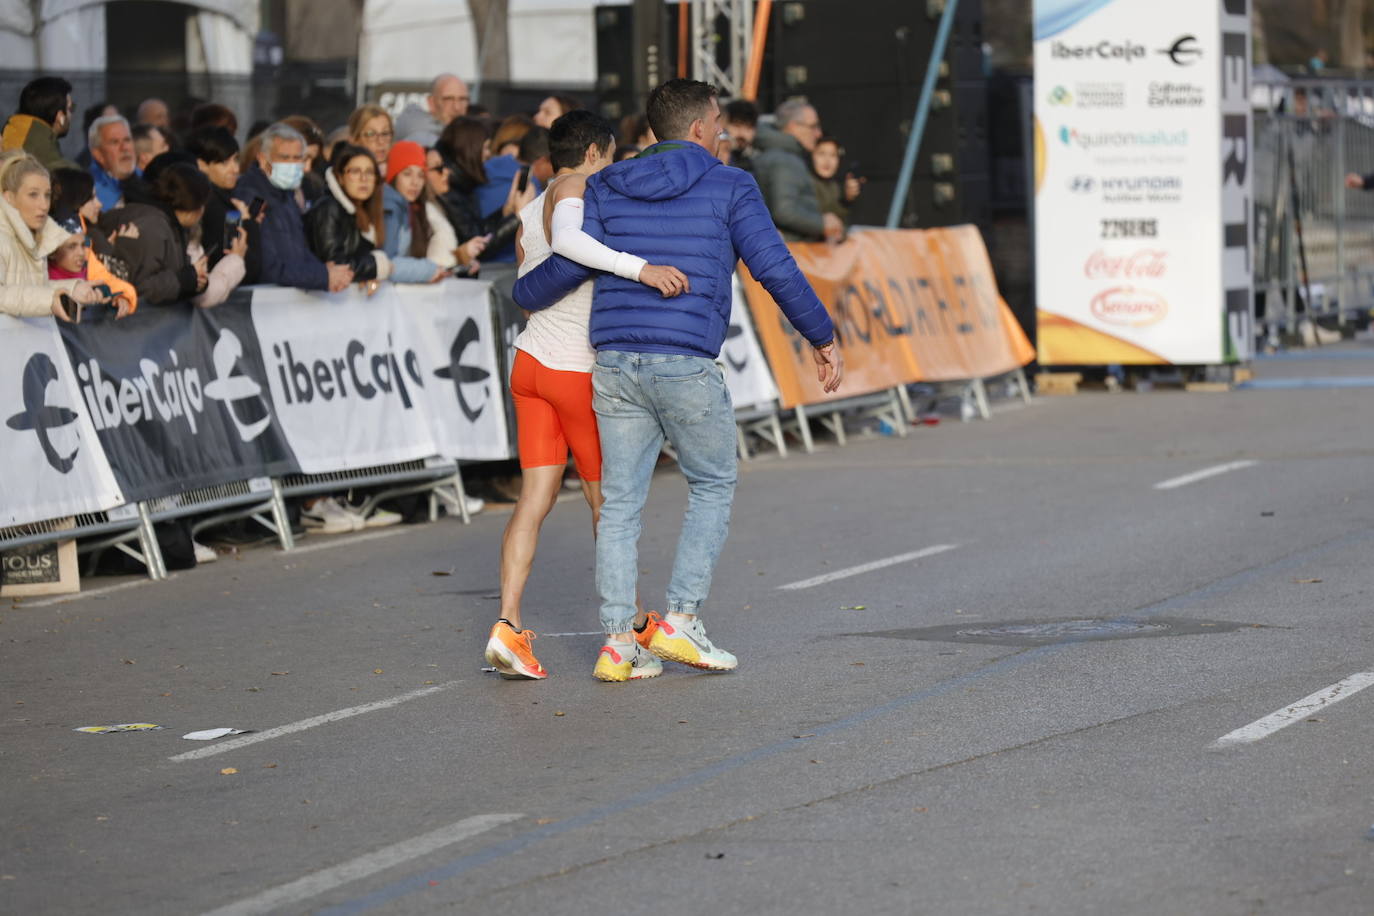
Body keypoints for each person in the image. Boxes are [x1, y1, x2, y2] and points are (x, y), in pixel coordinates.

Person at [513, 79, 842, 681]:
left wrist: (525, 293)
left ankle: (618, 644)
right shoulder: (731, 184)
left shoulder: (608, 183)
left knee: (619, 505)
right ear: (697, 129)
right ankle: (682, 621)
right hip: (686, 361)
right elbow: (774, 268)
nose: (723, 130)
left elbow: (566, 264)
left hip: (614, 362)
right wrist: (820, 336)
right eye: (717, 120)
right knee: (713, 483)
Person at [484, 109, 688, 681]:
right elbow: (574, 248)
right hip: (577, 373)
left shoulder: (529, 210)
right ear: (597, 151)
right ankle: (623, 636)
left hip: (530, 364)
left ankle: (507, 626)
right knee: (609, 508)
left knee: (533, 501)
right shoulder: (582, 195)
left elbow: (529, 295)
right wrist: (641, 269)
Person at [235, 121, 353, 292]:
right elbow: (266, 267)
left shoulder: (287, 194)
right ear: (262, 159)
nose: (291, 164)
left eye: (297, 158)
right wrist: (322, 275)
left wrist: (325, 270)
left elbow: (300, 251)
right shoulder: (253, 198)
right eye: (284, 158)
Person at [0, 152, 105, 320]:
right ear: (9, 197)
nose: (43, 205)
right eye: (33, 194)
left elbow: (32, 289)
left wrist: (73, 289)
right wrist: (50, 300)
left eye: (47, 195)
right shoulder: (3, 239)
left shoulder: (38, 237)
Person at [99, 161, 215, 306]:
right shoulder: (153, 226)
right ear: (196, 206)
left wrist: (195, 282)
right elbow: (141, 289)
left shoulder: (173, 225)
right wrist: (185, 280)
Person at [49, 167, 138, 316]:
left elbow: (103, 277)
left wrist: (121, 294)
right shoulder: (44, 244)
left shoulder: (84, 236)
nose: (100, 204)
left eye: (83, 245)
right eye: (91, 198)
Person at [435, 116, 530, 253]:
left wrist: (505, 212)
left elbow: (477, 230)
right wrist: (517, 217)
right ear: (471, 150)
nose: (488, 154)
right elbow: (474, 244)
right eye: (485, 148)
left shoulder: (463, 184)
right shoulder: (448, 189)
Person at [752, 98, 842, 242]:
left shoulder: (784, 155)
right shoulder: (783, 160)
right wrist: (822, 223)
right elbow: (784, 211)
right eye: (813, 126)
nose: (818, 133)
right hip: (791, 250)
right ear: (793, 127)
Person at [304, 143, 392, 285]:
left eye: (369, 172)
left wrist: (371, 277)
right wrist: (377, 266)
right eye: (355, 171)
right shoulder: (328, 208)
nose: (363, 178)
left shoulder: (366, 212)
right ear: (340, 178)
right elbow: (335, 265)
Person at [477, 127, 551, 263]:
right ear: (542, 161)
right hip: (504, 267)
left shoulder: (486, 168)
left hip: (474, 259)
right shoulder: (533, 193)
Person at [380, 141, 445, 283]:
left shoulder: (411, 208)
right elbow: (386, 264)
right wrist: (430, 270)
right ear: (394, 176)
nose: (415, 182)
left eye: (421, 175)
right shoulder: (389, 207)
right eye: (407, 174)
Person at [423, 146, 488, 270]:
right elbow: (429, 261)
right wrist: (462, 255)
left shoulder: (438, 204)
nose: (447, 172)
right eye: (439, 168)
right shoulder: (422, 211)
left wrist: (464, 261)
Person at [1, 76, 77, 172]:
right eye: (71, 108)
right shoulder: (56, 165)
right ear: (60, 117)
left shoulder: (8, 134)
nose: (71, 116)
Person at [394, 73, 470, 144]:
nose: (457, 107)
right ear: (431, 103)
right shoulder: (419, 138)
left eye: (462, 99)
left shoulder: (471, 132)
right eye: (448, 99)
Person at [810, 135, 862, 230]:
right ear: (812, 155)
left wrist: (847, 199)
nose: (827, 161)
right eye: (821, 154)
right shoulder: (806, 182)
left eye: (833, 155)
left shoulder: (834, 186)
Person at [88, 114, 137, 211]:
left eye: (127, 140)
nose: (124, 148)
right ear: (98, 154)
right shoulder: (89, 190)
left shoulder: (148, 178)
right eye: (115, 142)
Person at [721, 99, 758, 172]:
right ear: (723, 124)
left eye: (749, 127)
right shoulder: (718, 157)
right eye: (736, 126)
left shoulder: (754, 161)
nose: (742, 133)